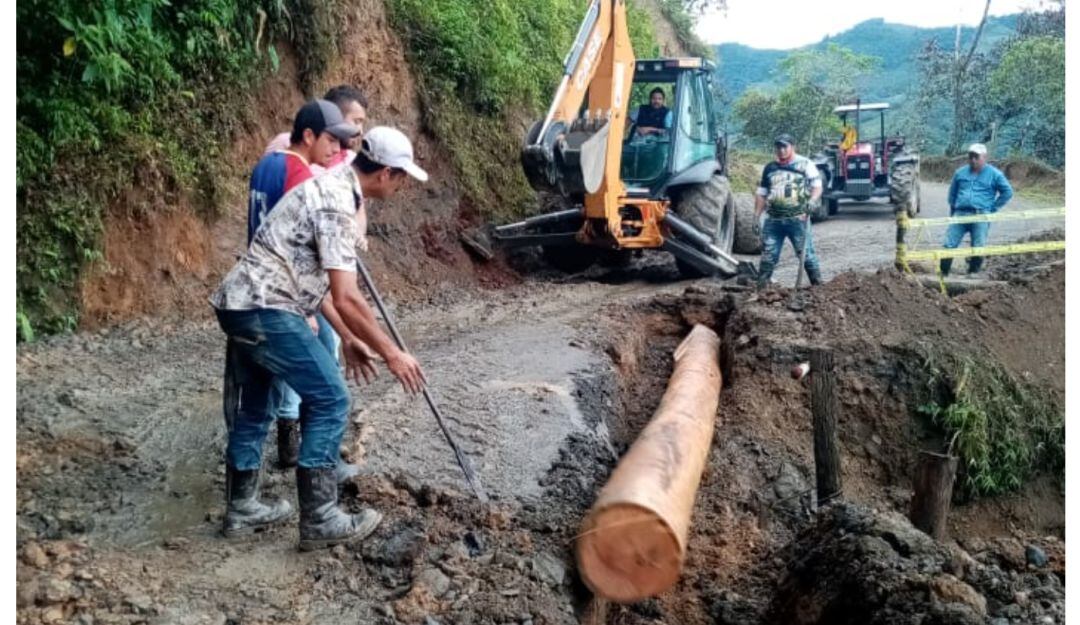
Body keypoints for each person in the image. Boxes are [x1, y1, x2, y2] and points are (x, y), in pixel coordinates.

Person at [211, 126, 429, 550]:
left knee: (257, 404)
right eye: (402, 177)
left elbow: (321, 286)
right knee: (331, 398)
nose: (402, 186)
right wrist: (393, 353)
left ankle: (242, 508)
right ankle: (320, 517)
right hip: (267, 308)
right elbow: (347, 296)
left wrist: (348, 338)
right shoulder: (336, 204)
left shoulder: (329, 188)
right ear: (385, 173)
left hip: (243, 303)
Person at [247, 99, 358, 470]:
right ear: (308, 135)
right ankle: (322, 465)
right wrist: (305, 310)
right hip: (287, 297)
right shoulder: (299, 175)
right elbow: (295, 248)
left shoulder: (265, 165)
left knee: (257, 397)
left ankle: (250, 486)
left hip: (256, 290)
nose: (337, 150)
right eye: (331, 140)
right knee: (326, 382)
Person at [754, 133, 824, 288]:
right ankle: (761, 289)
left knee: (805, 254)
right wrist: (756, 216)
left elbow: (817, 186)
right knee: (768, 256)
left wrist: (812, 201)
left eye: (785, 147)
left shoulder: (805, 164)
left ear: (793, 147)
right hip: (773, 221)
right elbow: (762, 193)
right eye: (778, 147)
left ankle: (819, 287)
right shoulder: (770, 168)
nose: (781, 150)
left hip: (798, 219)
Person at [941, 143, 1013, 276]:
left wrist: (993, 208)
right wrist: (953, 211)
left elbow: (1007, 192)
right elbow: (952, 194)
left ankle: (973, 273)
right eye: (970, 157)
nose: (973, 160)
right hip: (960, 214)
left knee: (978, 245)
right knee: (949, 243)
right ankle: (943, 273)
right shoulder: (960, 173)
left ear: (984, 157)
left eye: (976, 157)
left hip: (981, 215)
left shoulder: (995, 174)